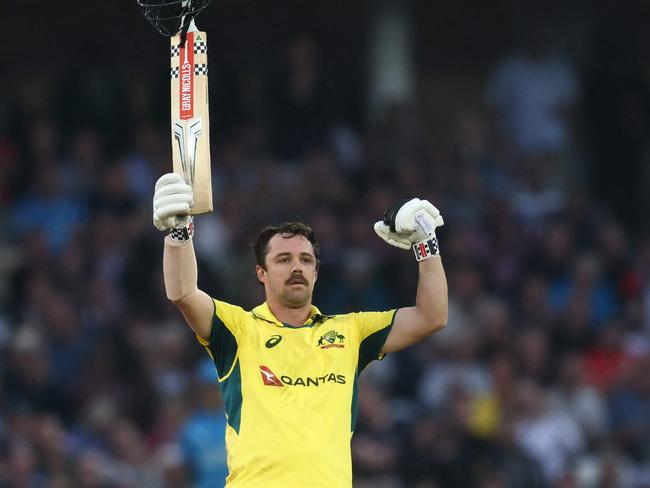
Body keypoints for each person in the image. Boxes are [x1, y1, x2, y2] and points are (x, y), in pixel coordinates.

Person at [152, 172, 449, 487]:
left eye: (306, 260)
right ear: (261, 273)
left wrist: (425, 244)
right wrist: (178, 234)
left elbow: (431, 316)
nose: (297, 267)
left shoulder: (351, 332)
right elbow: (183, 293)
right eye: (283, 259)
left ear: (316, 273)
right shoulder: (238, 329)